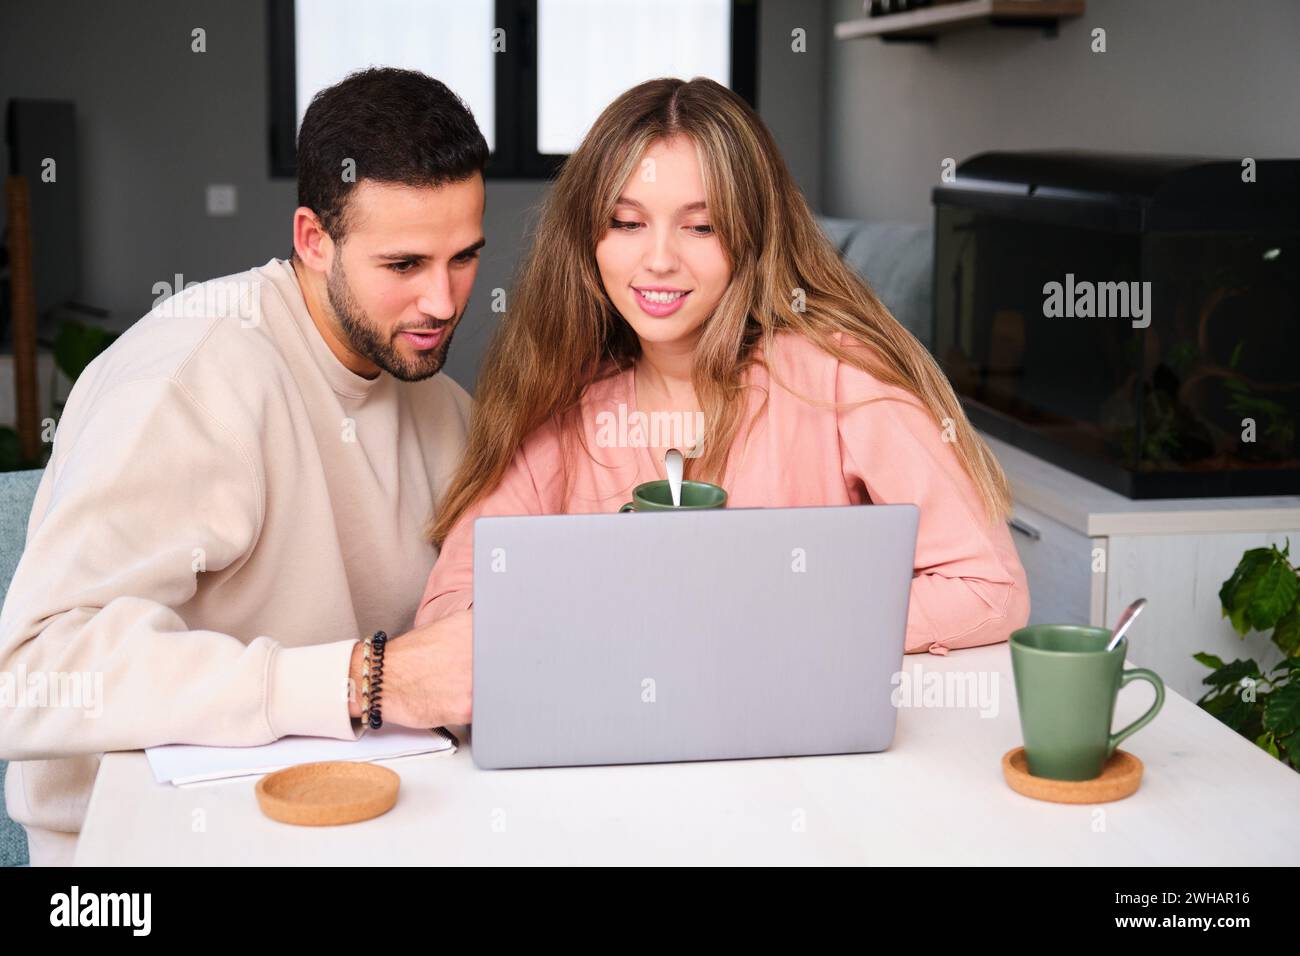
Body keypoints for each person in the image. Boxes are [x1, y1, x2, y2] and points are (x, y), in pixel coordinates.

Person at [0, 67, 481, 866]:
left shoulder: (445, 409)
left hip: (365, 819)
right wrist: (366, 679)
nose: (442, 301)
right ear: (312, 239)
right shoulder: (192, 375)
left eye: (463, 257)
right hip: (144, 843)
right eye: (403, 266)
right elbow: (29, 679)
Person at [417, 77, 1030, 657]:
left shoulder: (840, 375)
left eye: (702, 226)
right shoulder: (562, 396)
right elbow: (452, 609)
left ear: (752, 236)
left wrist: (778, 628)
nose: (659, 260)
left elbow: (988, 587)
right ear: (588, 238)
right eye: (627, 223)